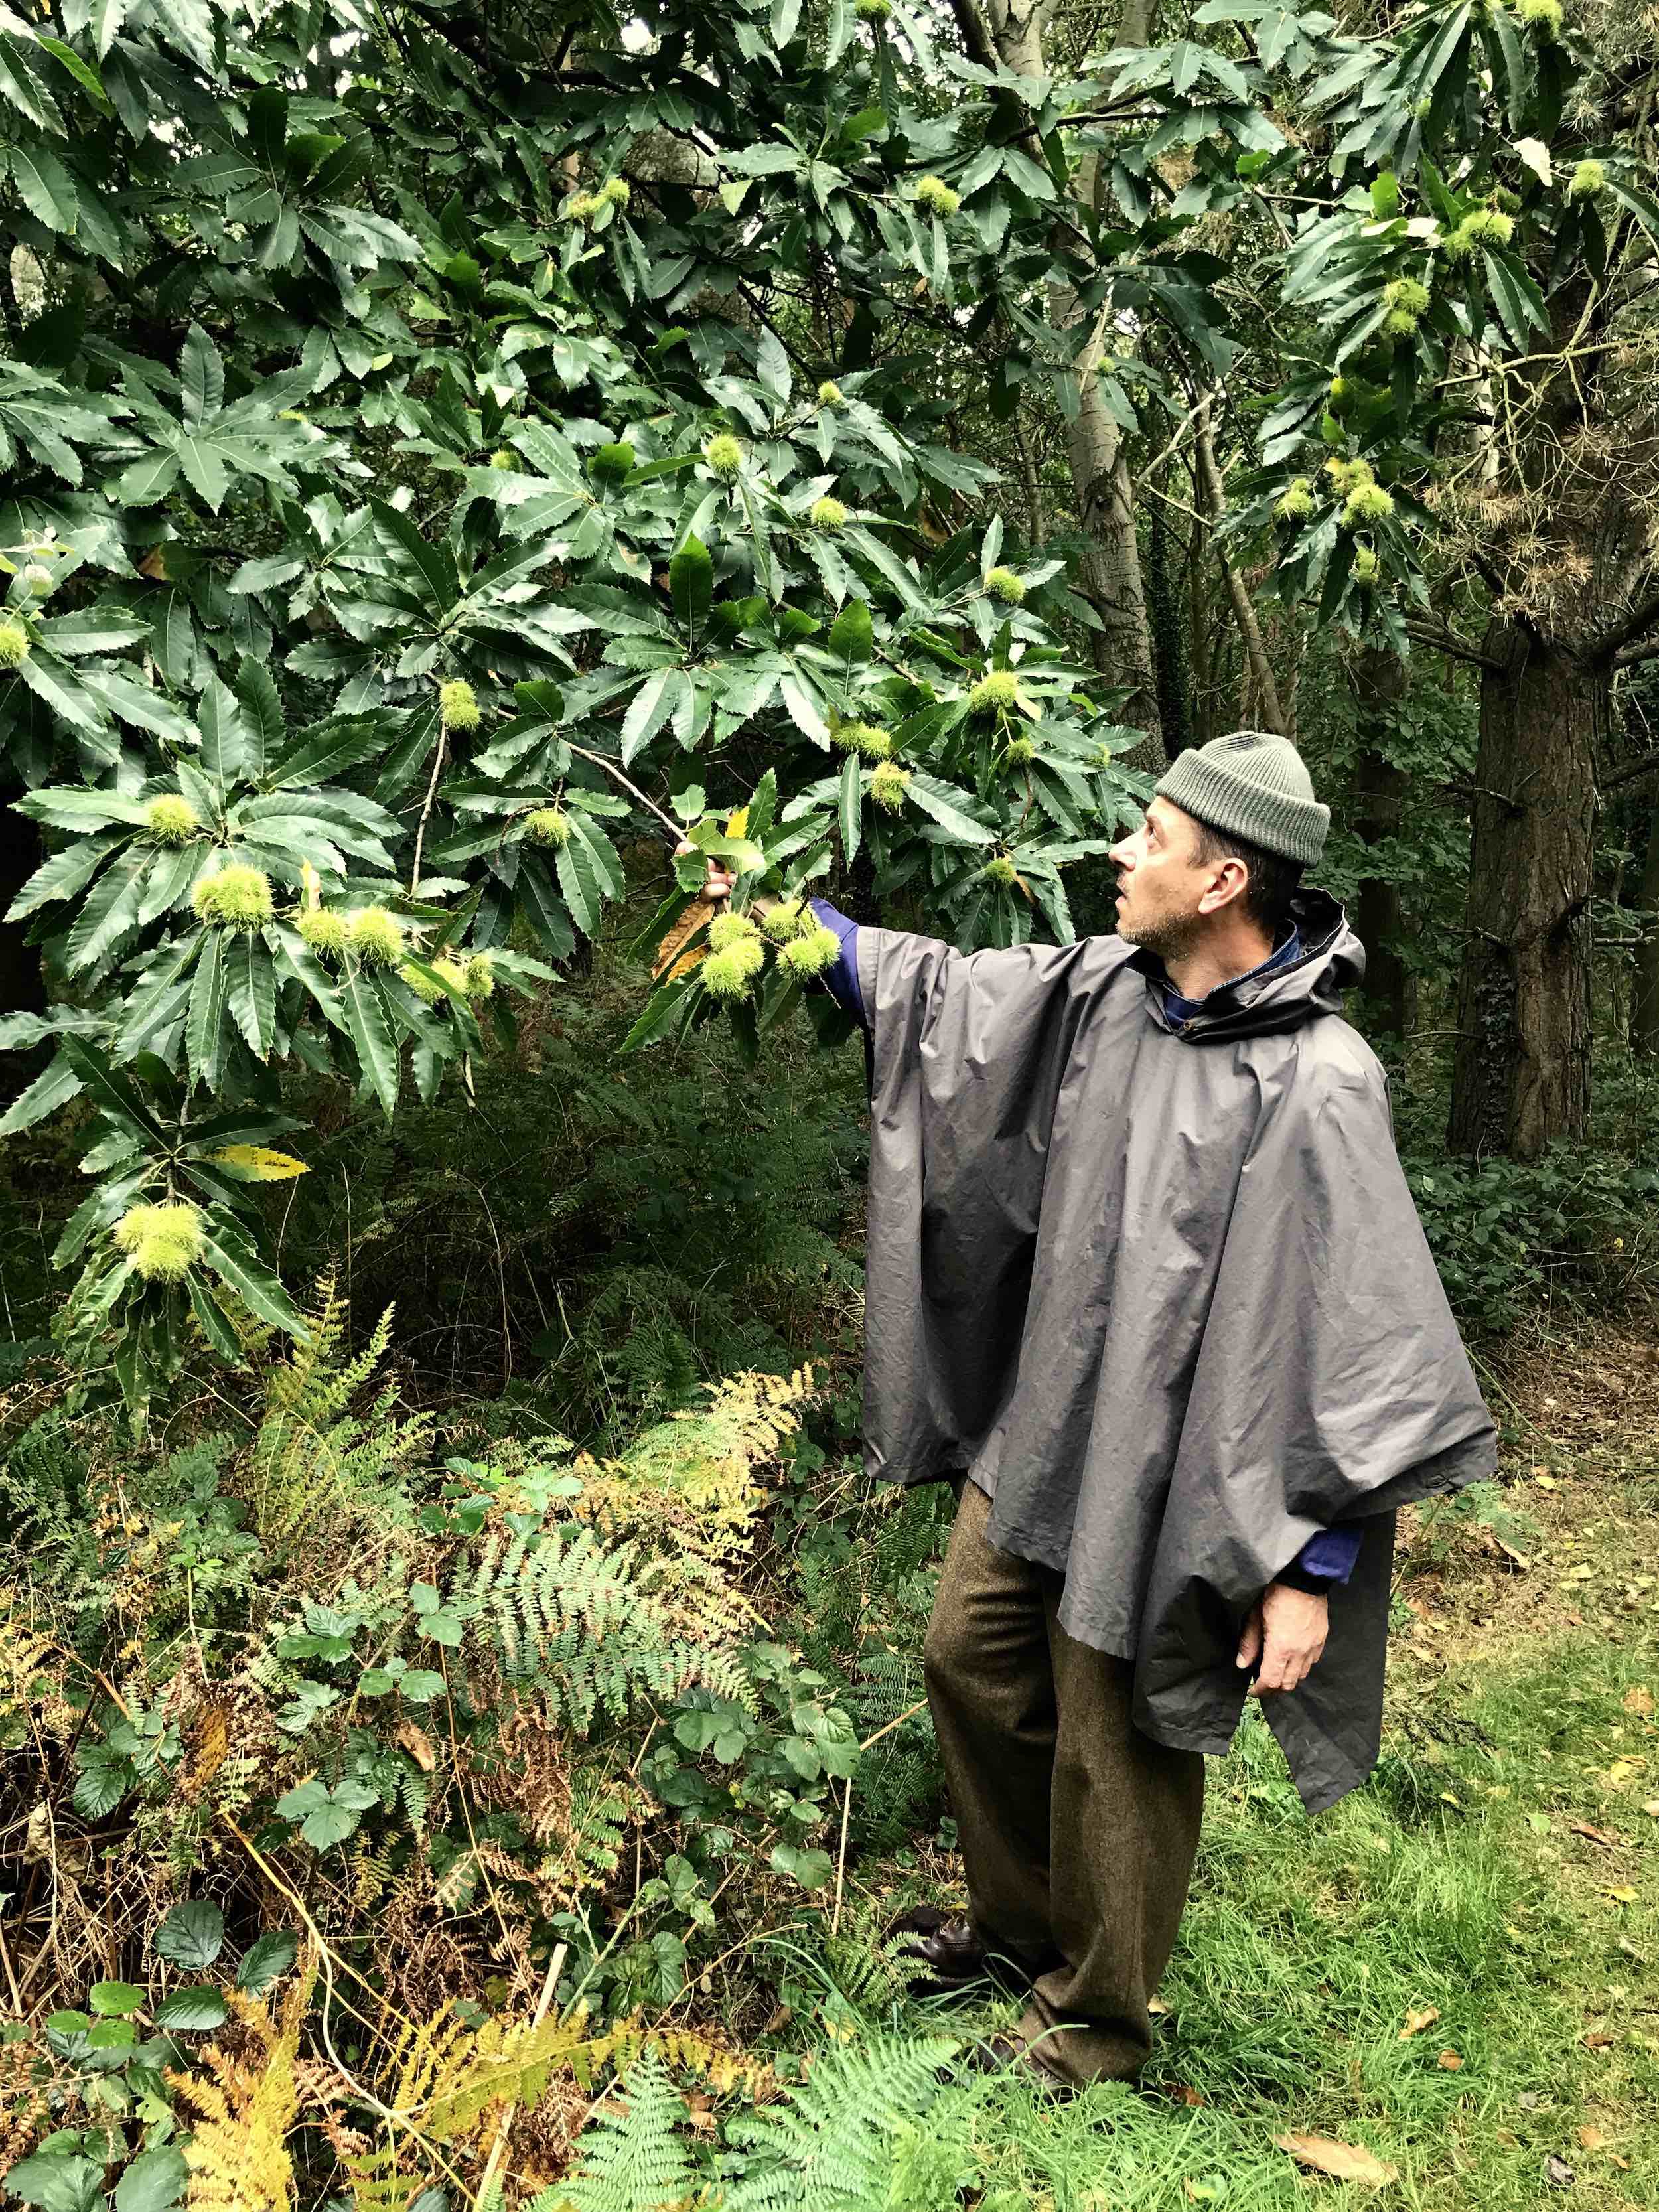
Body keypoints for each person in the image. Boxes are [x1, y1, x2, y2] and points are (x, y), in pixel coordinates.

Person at [682, 729, 1495, 2091]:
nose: (1120, 852)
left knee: (1115, 1738)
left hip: (1180, 1479)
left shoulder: (1316, 1081)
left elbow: (1357, 1337)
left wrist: (1312, 1568)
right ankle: (1014, 1933)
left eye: (1150, 837)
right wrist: (782, 919)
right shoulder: (1107, 989)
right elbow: (939, 995)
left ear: (1219, 876)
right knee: (969, 1657)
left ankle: (1093, 2024)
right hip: (1047, 1427)